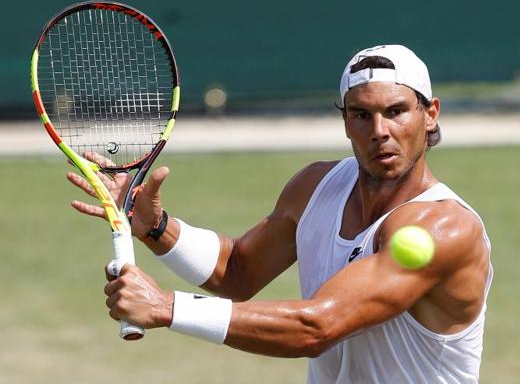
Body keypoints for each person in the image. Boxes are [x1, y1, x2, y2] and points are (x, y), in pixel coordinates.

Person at [68, 44, 493, 384]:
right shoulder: (314, 188)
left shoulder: (444, 227)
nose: (379, 131)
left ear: (430, 113)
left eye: (396, 111)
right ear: (345, 122)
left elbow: (317, 328)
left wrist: (166, 307)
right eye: (362, 115)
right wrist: (158, 230)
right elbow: (238, 271)